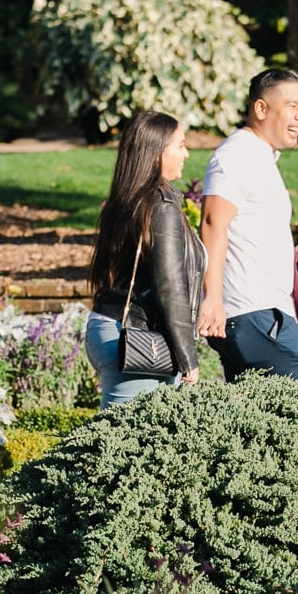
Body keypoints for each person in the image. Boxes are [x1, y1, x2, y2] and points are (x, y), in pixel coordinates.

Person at [197, 68, 298, 384]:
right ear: (261, 109)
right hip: (254, 313)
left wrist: (290, 252)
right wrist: (212, 299)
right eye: (292, 106)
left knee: (261, 424)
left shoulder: (260, 157)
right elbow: (213, 223)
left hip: (258, 313)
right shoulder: (238, 154)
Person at [85, 112, 206, 408]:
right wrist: (187, 356)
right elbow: (170, 284)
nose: (186, 153)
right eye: (180, 145)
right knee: (122, 443)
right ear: (156, 153)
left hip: (115, 327)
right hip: (136, 337)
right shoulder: (161, 205)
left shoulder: (129, 199)